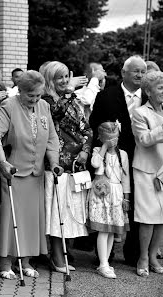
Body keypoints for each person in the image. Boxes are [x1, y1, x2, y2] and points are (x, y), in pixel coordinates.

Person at [0, 70, 61, 279]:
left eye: (38, 95)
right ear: (20, 91)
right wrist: (2, 162)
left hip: (35, 174)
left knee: (29, 219)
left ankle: (25, 261)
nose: (35, 100)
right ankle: (4, 263)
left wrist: (54, 162)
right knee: (9, 220)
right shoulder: (9, 106)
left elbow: (52, 139)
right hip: (12, 172)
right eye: (31, 96)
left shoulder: (44, 106)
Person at [90, 55, 148, 266]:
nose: (140, 75)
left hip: (141, 158)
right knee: (108, 203)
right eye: (136, 71)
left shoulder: (149, 96)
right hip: (112, 159)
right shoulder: (107, 95)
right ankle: (104, 255)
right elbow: (94, 123)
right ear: (124, 73)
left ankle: (133, 254)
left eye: (143, 71)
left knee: (135, 204)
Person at [41, 61, 92, 272]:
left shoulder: (74, 100)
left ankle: (65, 253)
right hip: (56, 163)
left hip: (76, 163)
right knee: (57, 213)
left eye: (65, 76)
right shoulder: (45, 100)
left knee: (71, 211)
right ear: (49, 80)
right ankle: (56, 257)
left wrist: (86, 150)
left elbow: (87, 128)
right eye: (59, 77)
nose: (63, 81)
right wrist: (69, 91)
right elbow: (57, 114)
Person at [87, 121, 130, 279]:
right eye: (110, 139)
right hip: (102, 194)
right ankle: (103, 263)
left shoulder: (123, 154)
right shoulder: (98, 151)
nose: (114, 142)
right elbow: (95, 163)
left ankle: (105, 262)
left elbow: (126, 178)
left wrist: (126, 197)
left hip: (116, 194)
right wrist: (104, 147)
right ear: (101, 139)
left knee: (112, 230)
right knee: (103, 229)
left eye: (116, 138)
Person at [131, 70, 163, 277]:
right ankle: (142, 257)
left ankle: (153, 256)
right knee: (147, 217)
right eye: (161, 88)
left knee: (162, 218)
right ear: (149, 91)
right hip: (146, 170)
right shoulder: (140, 112)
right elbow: (144, 140)